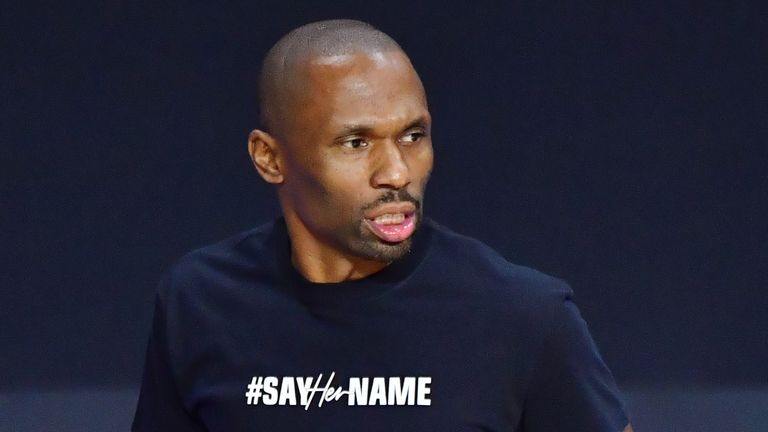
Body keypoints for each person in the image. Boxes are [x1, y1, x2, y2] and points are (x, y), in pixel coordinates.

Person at [132, 19, 633, 432]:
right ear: (269, 158)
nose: (396, 173)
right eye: (356, 143)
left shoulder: (525, 318)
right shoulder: (200, 301)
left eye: (413, 136)